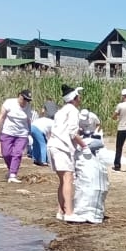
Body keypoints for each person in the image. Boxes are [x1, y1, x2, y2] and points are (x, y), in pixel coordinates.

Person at [50, 85, 90, 221]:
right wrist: (85, 146)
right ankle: (69, 213)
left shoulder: (61, 111)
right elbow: (73, 133)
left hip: (53, 145)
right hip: (62, 147)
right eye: (79, 96)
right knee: (68, 179)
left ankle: (60, 211)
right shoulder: (73, 110)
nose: (80, 98)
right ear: (74, 98)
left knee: (62, 180)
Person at [0, 89, 35, 183]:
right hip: (8, 132)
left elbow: (28, 120)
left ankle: (13, 174)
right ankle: (11, 170)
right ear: (19, 96)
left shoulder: (28, 107)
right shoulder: (9, 103)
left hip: (22, 134)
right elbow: (1, 117)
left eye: (28, 100)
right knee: (6, 154)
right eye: (24, 99)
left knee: (17, 153)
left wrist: (30, 133)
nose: (25, 102)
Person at [30, 100, 56, 166]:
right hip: (38, 129)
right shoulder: (53, 122)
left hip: (32, 127)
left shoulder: (44, 119)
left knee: (36, 144)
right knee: (43, 145)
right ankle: (43, 160)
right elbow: (51, 135)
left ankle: (35, 159)